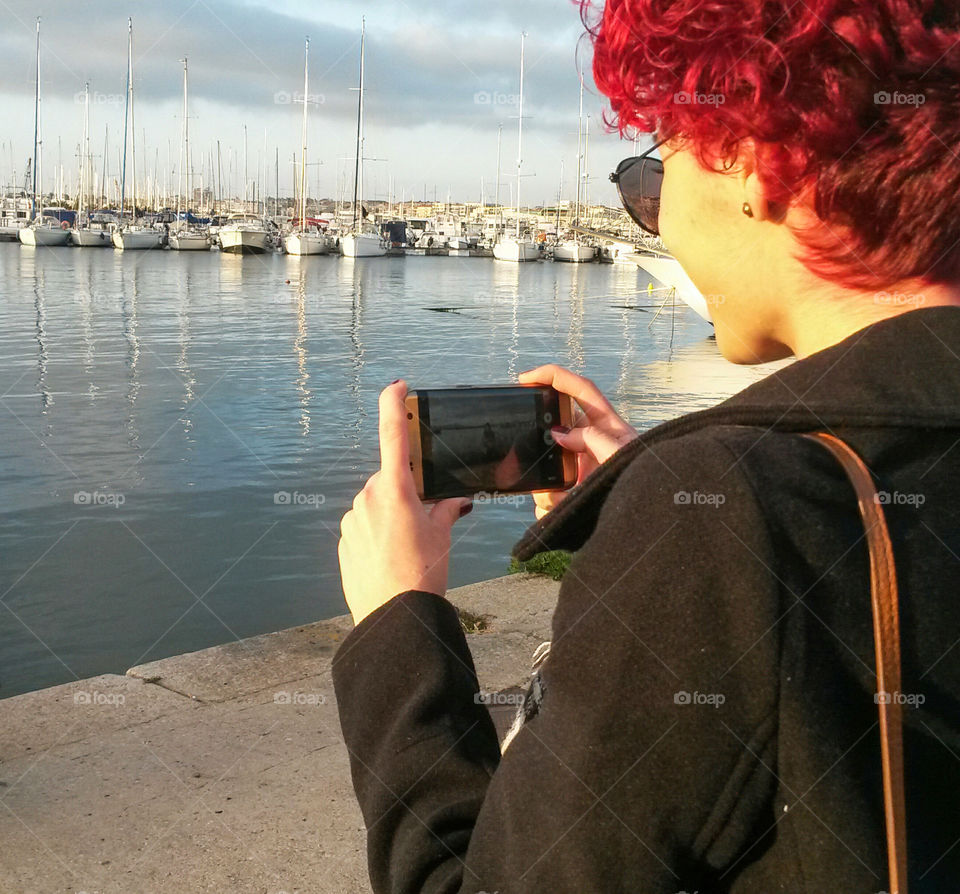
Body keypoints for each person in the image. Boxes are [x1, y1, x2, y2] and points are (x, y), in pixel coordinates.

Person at [333, 0, 960, 890]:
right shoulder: (751, 490)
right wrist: (633, 520)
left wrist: (398, 619)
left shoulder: (732, 505)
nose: (654, 218)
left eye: (655, 173)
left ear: (761, 163)